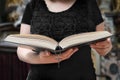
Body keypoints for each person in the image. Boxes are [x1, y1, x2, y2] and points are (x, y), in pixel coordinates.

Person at [17, 0, 113, 80]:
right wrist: (39, 58)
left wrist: (106, 47)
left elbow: (102, 42)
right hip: (40, 77)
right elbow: (22, 49)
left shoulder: (89, 3)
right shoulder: (33, 4)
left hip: (82, 77)